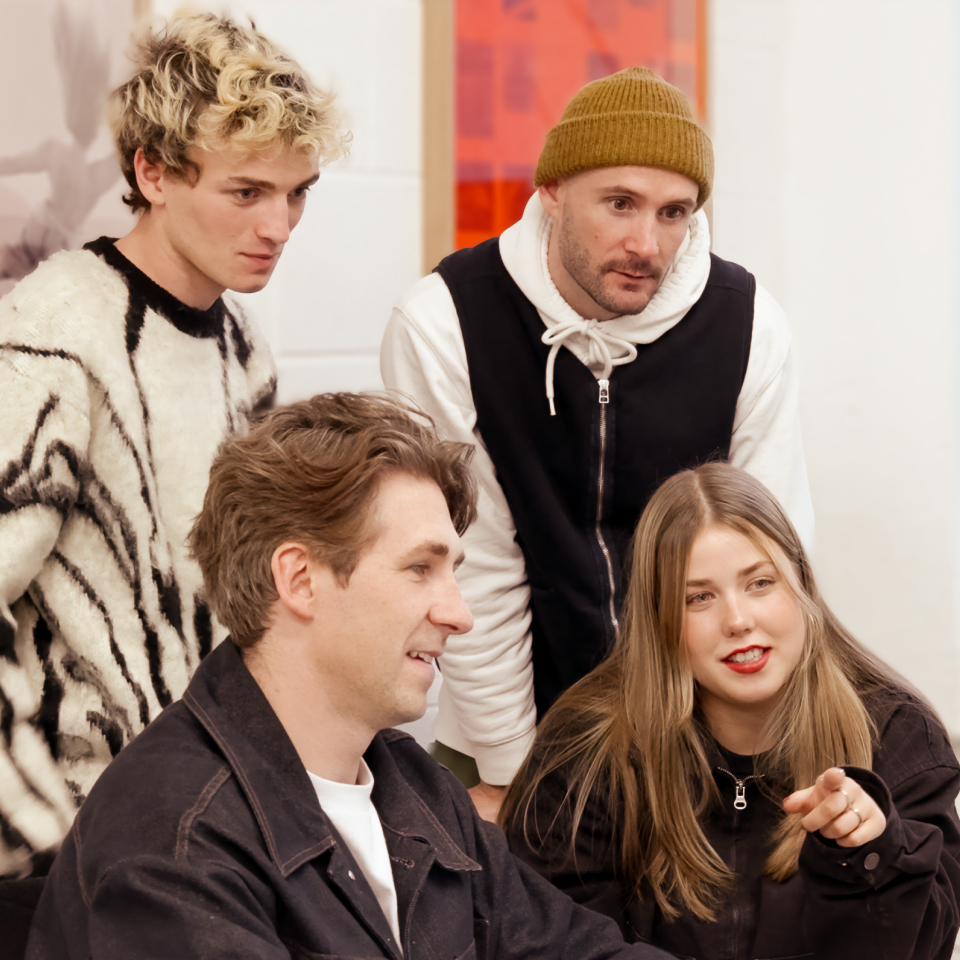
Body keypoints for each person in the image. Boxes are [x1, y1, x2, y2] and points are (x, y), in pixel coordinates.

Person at [27, 393, 677, 960]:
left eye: (452, 573)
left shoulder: (412, 783)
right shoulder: (176, 844)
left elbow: (575, 949)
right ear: (300, 579)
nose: (460, 615)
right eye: (420, 569)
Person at [380, 67, 815, 818]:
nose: (647, 243)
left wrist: (755, 741)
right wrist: (513, 770)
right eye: (620, 203)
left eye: (674, 213)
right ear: (552, 191)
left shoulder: (749, 325)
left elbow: (773, 558)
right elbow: (473, 563)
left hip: (704, 732)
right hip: (502, 730)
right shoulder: (444, 323)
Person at [0, 12, 346, 881]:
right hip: (76, 841)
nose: (280, 225)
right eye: (247, 192)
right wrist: (35, 835)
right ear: (152, 172)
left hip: (205, 814)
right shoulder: (53, 335)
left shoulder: (242, 348)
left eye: (297, 192)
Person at [500, 462, 960, 960]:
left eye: (760, 583)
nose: (738, 620)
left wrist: (873, 855)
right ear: (658, 620)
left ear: (801, 583)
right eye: (699, 598)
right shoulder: (586, 745)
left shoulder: (897, 734)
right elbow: (554, 939)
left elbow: (925, 947)